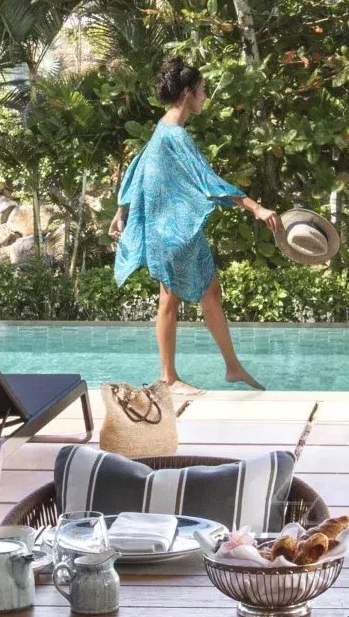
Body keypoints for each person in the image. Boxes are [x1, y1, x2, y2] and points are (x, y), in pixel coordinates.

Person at [110, 57, 281, 393]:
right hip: (168, 231)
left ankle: (233, 368)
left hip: (181, 230)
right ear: (187, 92)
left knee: (211, 292)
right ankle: (168, 378)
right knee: (169, 299)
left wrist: (121, 210)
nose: (205, 96)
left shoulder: (165, 128)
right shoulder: (174, 134)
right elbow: (207, 180)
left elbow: (138, 167)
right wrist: (256, 208)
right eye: (202, 90)